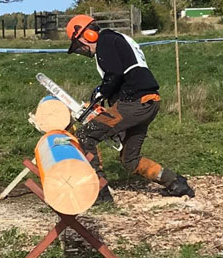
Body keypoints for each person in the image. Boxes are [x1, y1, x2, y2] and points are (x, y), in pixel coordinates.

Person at [66, 15, 195, 203]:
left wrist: (102, 92)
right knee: (129, 159)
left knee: (86, 135)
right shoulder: (116, 40)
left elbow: (115, 74)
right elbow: (119, 74)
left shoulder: (106, 41)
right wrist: (102, 95)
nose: (85, 49)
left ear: (88, 34)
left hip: (134, 102)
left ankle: (99, 193)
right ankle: (175, 183)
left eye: (81, 44)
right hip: (147, 102)